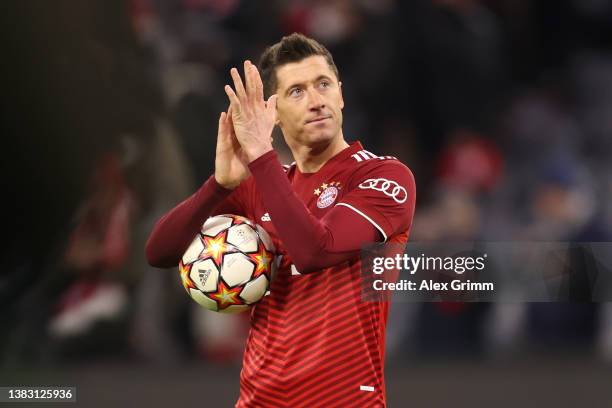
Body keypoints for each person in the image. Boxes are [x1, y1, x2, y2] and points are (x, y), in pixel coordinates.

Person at [145, 33, 416, 408]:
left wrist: (260, 155)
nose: (317, 100)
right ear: (272, 112)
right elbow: (159, 251)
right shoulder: (263, 185)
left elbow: (315, 250)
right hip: (259, 399)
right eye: (297, 92)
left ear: (340, 94)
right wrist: (218, 186)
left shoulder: (384, 177)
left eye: (323, 85)